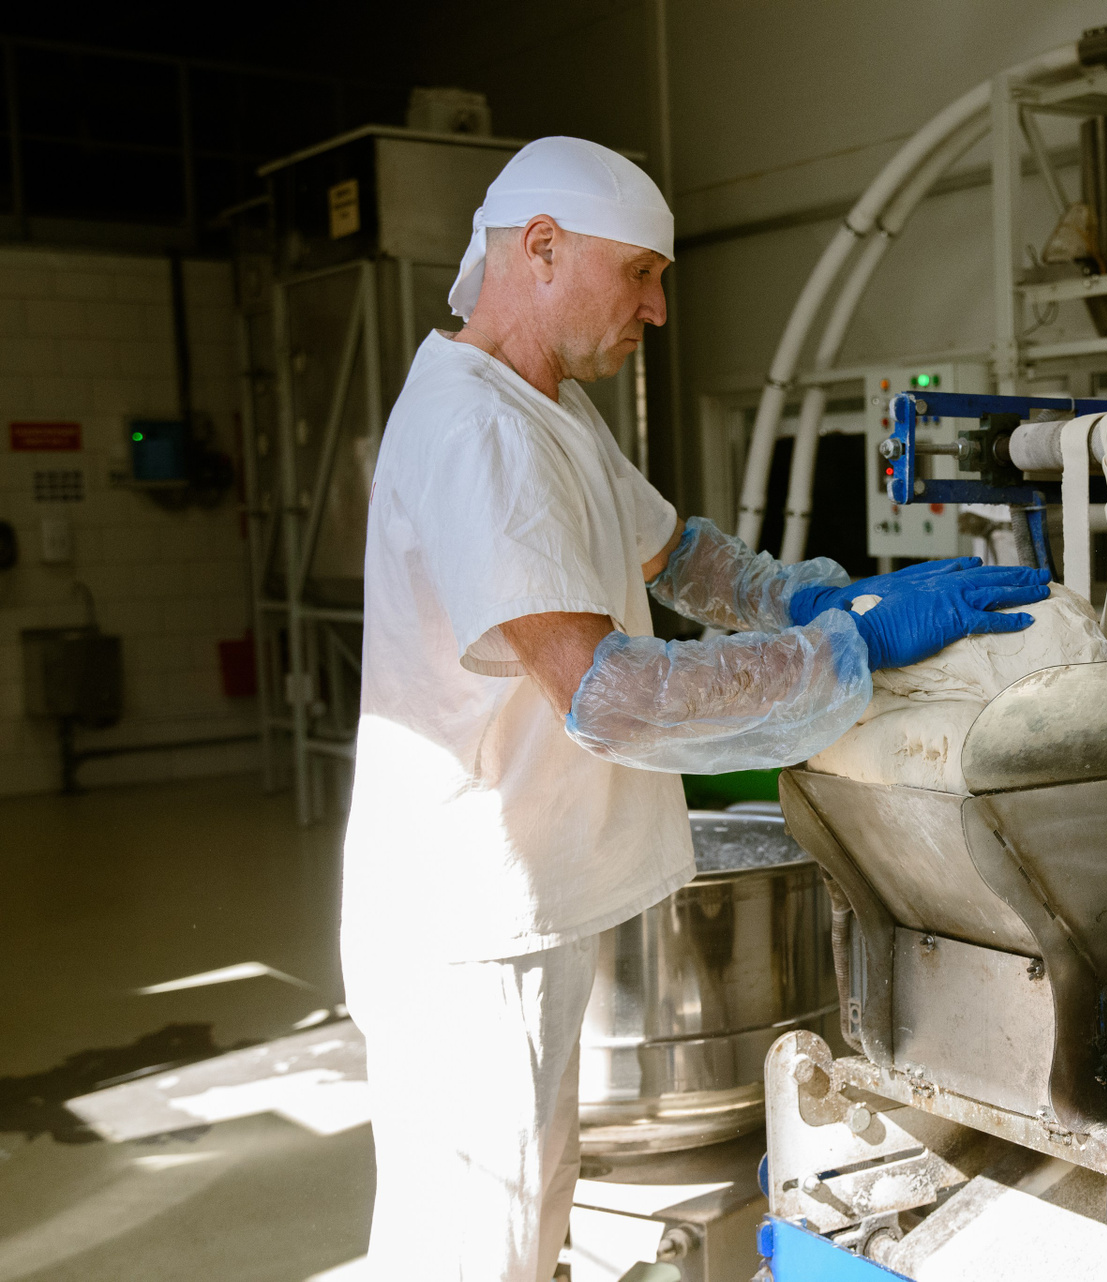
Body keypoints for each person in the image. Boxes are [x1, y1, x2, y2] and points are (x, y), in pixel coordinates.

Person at [338, 136, 1046, 1281]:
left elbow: (685, 560)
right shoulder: (480, 430)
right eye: (641, 275)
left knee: (524, 1222)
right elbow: (611, 693)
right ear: (541, 248)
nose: (657, 310)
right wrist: (850, 647)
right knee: (474, 1252)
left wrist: (829, 596)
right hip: (469, 920)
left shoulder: (550, 409)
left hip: (525, 907)